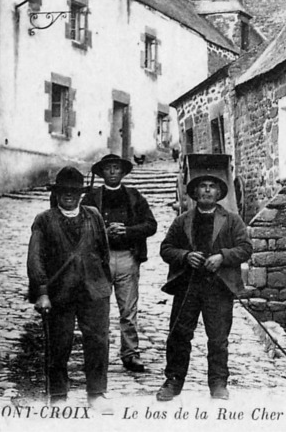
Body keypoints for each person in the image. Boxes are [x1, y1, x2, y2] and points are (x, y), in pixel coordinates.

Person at [156, 168, 252, 401]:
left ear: (219, 193)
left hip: (218, 288)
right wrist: (185, 256)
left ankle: (218, 383)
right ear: (195, 193)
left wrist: (222, 256)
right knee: (179, 335)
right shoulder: (182, 221)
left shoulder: (231, 220)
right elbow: (166, 249)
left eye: (212, 186)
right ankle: (173, 381)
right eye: (203, 186)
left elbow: (246, 249)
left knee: (218, 337)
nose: (207, 190)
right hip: (188, 286)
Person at [26, 166, 113, 412]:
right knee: (59, 343)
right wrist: (42, 292)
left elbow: (103, 252)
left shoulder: (93, 215)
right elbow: (35, 259)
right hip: (59, 293)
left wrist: (103, 284)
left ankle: (96, 393)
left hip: (93, 291)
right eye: (64, 191)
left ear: (81, 194)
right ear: (57, 193)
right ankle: (58, 395)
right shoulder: (45, 219)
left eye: (74, 192)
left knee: (98, 342)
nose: (69, 196)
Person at [81, 154, 157, 372]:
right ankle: (97, 356)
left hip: (126, 257)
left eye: (116, 168)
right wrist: (101, 233)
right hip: (99, 261)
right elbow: (80, 226)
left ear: (123, 173)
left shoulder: (134, 197)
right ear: (102, 172)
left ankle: (130, 353)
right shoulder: (91, 198)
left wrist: (128, 231)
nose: (113, 172)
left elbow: (151, 225)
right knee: (97, 310)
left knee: (128, 310)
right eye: (108, 168)